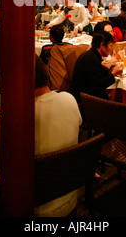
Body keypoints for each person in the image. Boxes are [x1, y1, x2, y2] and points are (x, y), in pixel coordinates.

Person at [35, 55, 82, 217]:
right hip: (70, 196)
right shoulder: (69, 99)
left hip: (35, 204)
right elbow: (79, 122)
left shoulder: (22, 115)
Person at [70, 31, 123, 103]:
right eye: (111, 46)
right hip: (86, 102)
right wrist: (113, 74)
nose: (112, 49)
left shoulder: (91, 55)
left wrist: (110, 71)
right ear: (102, 45)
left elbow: (96, 76)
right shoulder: (91, 59)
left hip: (86, 96)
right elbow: (97, 86)